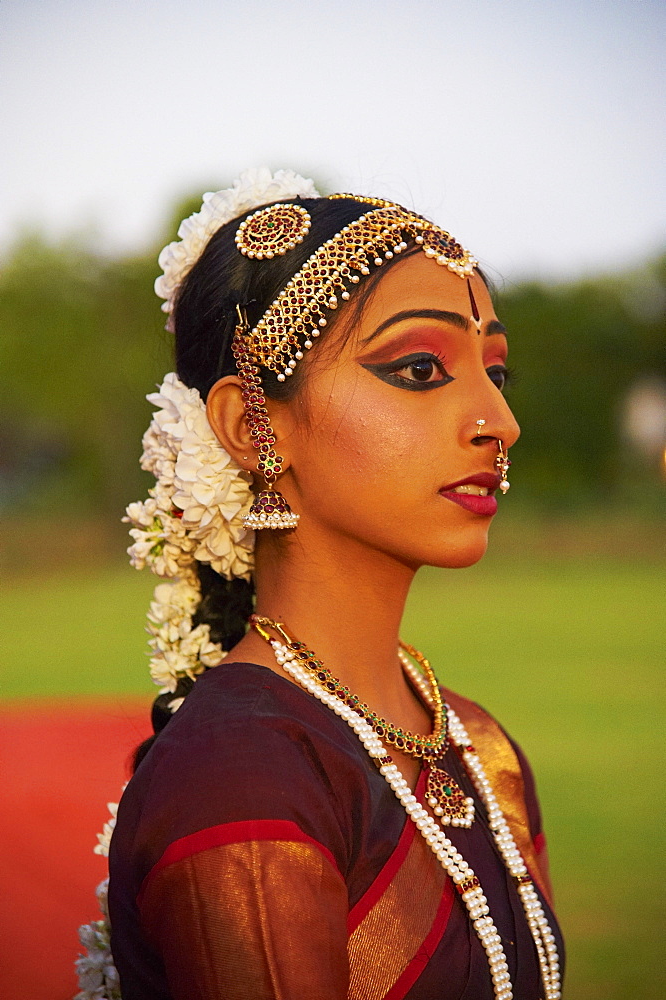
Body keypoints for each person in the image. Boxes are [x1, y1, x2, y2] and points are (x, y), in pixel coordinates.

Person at [98, 168, 563, 999]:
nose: (499, 421)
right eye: (421, 369)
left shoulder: (478, 745)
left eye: (496, 371)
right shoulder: (240, 779)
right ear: (252, 426)